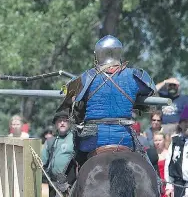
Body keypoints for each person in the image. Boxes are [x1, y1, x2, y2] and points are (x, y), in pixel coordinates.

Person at [58, 35, 158, 172]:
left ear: (98, 55)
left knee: (74, 166)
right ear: (119, 52)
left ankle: (65, 189)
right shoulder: (134, 76)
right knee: (150, 169)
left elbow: (66, 93)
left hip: (92, 141)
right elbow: (151, 91)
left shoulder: (86, 77)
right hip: (123, 139)